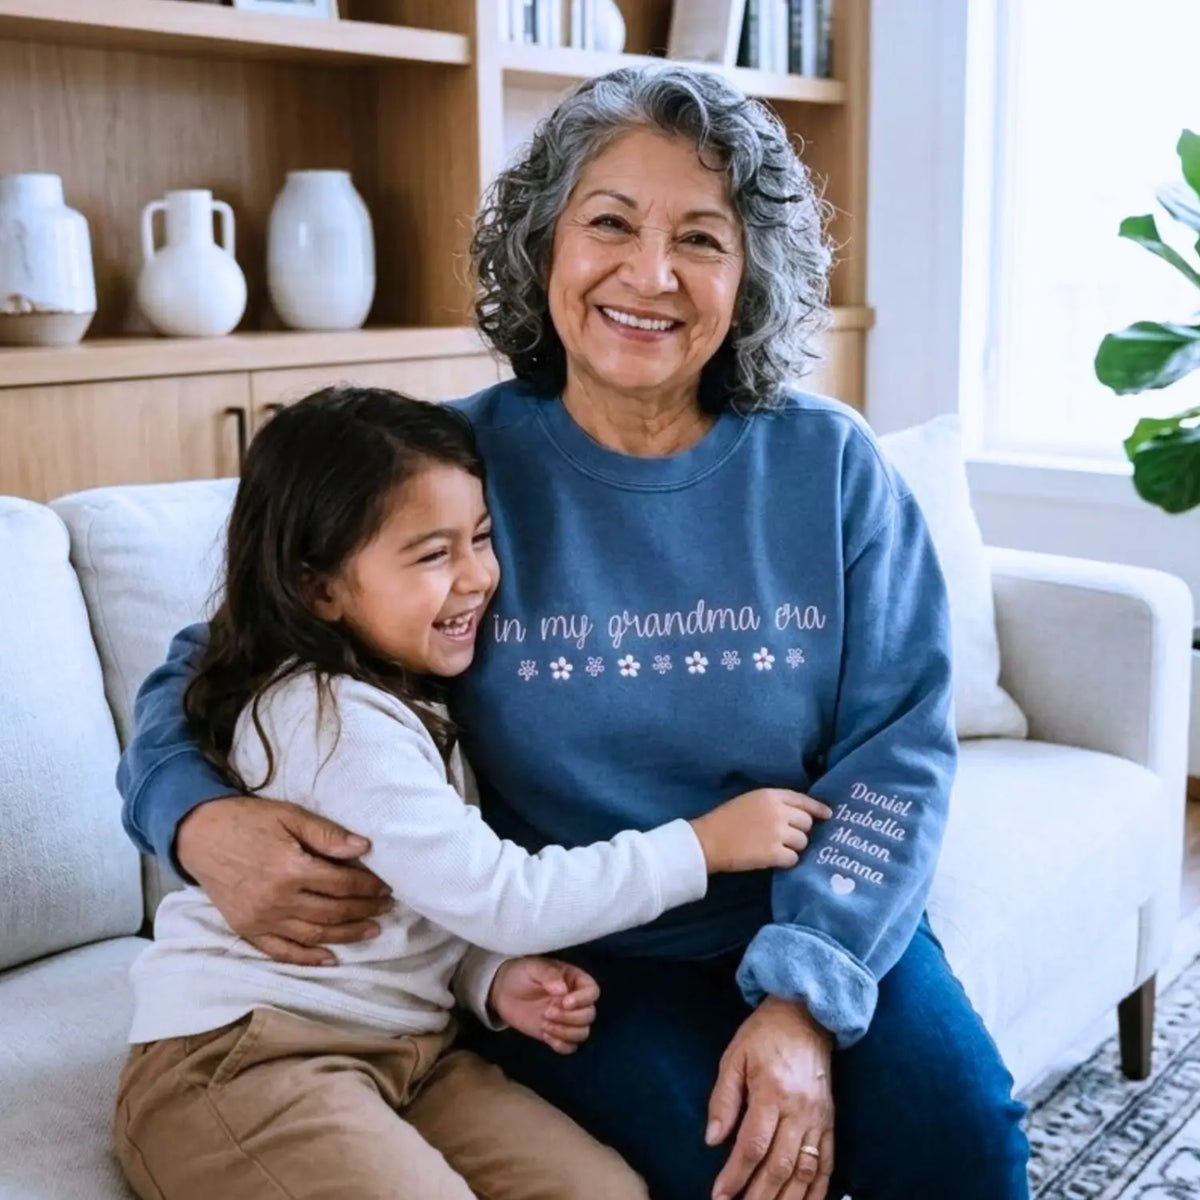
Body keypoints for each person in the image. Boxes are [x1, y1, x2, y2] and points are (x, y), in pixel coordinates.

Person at [118, 65, 1031, 1200]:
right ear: (544, 243)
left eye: (701, 237)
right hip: (579, 952)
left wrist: (802, 997)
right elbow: (220, 653)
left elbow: (896, 754)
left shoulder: (830, 466)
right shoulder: (445, 469)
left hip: (805, 912)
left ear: (749, 277)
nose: (649, 274)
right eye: (609, 223)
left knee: (968, 1149)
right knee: (726, 1173)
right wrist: (195, 818)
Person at [112, 386, 827, 1200]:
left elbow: (408, 902)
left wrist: (484, 977)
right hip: (244, 1057)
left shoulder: (406, 694)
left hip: (408, 1050)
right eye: (431, 555)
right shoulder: (329, 720)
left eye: (482, 539)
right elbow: (502, 895)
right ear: (318, 589)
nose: (477, 578)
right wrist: (702, 844)